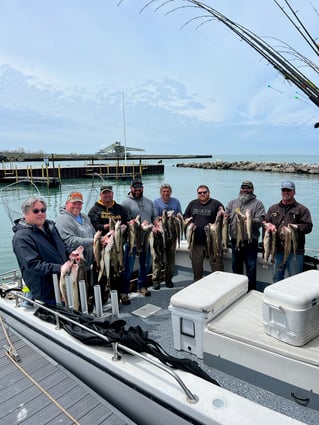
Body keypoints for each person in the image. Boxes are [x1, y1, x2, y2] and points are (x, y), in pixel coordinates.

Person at [12, 196, 76, 304]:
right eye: (36, 211)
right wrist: (59, 268)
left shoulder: (50, 226)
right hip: (45, 291)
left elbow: (62, 244)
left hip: (62, 283)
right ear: (26, 214)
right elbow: (32, 264)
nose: (40, 213)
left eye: (43, 210)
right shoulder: (21, 237)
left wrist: (70, 253)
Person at [88, 184, 130, 304]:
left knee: (117, 273)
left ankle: (118, 298)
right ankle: (99, 299)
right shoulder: (95, 210)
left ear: (112, 194)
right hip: (101, 249)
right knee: (100, 274)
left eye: (109, 193)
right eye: (104, 193)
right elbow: (92, 226)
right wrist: (104, 227)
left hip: (117, 248)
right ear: (101, 195)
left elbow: (126, 222)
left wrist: (124, 227)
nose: (107, 195)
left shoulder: (120, 208)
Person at [264, 180, 313, 282]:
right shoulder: (273, 208)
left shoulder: (302, 209)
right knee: (276, 278)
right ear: (281, 191)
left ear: (294, 192)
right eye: (284, 190)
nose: (286, 192)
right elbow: (265, 221)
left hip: (295, 252)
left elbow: (308, 227)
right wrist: (268, 225)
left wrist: (296, 227)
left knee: (295, 280)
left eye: (289, 190)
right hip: (277, 251)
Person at [55, 191, 98, 301]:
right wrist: (94, 241)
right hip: (75, 265)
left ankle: (88, 306)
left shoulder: (83, 216)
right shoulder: (62, 219)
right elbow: (70, 241)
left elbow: (93, 231)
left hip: (88, 263)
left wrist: (98, 240)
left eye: (79, 203)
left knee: (87, 290)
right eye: (74, 203)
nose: (77, 206)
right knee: (77, 294)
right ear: (67, 203)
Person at [226, 180, 266, 291]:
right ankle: (238, 289)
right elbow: (227, 217)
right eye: (243, 187)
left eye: (248, 188)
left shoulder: (258, 204)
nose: (245, 190)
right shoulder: (232, 203)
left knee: (251, 267)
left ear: (252, 189)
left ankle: (250, 290)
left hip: (251, 241)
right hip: (235, 240)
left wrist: (250, 220)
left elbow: (261, 220)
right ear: (240, 189)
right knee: (236, 266)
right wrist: (225, 216)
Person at [121, 177, 158, 297]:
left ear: (142, 188)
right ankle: (124, 291)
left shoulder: (149, 201)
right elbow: (123, 221)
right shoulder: (125, 203)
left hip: (147, 239)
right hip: (132, 240)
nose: (137, 189)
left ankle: (142, 286)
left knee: (146, 265)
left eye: (140, 187)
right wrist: (133, 223)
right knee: (128, 267)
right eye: (135, 187)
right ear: (131, 188)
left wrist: (157, 225)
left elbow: (154, 217)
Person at [184, 185, 224, 281]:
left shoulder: (216, 203)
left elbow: (223, 216)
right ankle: (197, 287)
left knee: (217, 269)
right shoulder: (192, 204)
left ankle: (219, 288)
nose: (202, 194)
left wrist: (222, 213)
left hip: (213, 242)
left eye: (204, 192)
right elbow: (185, 218)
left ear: (209, 193)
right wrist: (188, 222)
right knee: (197, 269)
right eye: (200, 192)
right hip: (196, 243)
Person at [152, 183, 182, 289]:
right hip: (160, 235)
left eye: (168, 191)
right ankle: (156, 280)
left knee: (170, 258)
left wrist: (175, 217)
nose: (166, 193)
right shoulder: (156, 202)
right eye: (164, 191)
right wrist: (163, 218)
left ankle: (168, 279)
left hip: (172, 234)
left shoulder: (176, 202)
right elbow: (155, 218)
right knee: (157, 258)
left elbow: (180, 215)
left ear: (171, 192)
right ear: (161, 192)